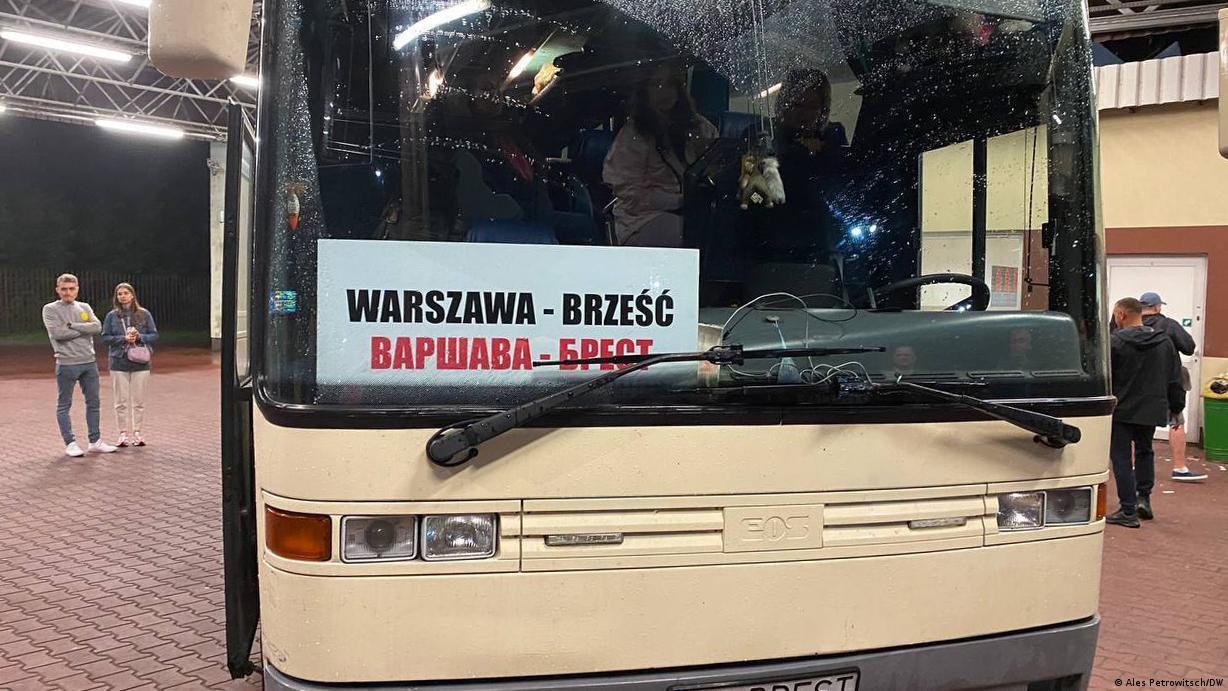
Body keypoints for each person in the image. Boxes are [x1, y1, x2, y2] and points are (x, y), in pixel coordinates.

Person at [603, 63, 718, 247]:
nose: (664, 91)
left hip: (693, 212)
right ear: (644, 91)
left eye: (670, 84)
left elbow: (717, 162)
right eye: (656, 84)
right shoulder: (633, 135)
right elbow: (631, 194)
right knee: (694, 234)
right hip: (643, 219)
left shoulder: (699, 127)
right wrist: (680, 201)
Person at [1106, 297, 1185, 528]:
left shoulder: (1114, 342)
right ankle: (1144, 499)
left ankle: (1128, 510)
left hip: (1121, 408)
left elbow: (1106, 377)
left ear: (1121, 315)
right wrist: (1176, 407)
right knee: (1145, 451)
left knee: (1121, 458)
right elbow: (1175, 378)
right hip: (1151, 407)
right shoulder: (1164, 342)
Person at [41, 273, 118, 458]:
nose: (68, 292)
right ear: (57, 290)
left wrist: (72, 325)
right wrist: (84, 328)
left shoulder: (84, 307)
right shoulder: (50, 309)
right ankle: (70, 443)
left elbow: (97, 327)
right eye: (64, 289)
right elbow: (58, 334)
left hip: (89, 362)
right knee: (64, 404)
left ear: (77, 289)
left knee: (93, 402)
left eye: (71, 289)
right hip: (66, 363)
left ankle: (95, 441)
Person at [1139, 291, 1207, 482]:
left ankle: (1133, 465)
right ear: (1157, 307)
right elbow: (1189, 347)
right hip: (1167, 382)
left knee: (1136, 424)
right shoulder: (1169, 325)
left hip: (1138, 384)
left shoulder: (1131, 326)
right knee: (1176, 422)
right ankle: (1179, 467)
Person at [102, 282, 158, 447]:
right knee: (121, 401)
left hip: (140, 362)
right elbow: (105, 337)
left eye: (126, 293)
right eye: (120, 294)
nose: (123, 296)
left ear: (132, 295)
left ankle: (137, 432)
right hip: (119, 362)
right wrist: (123, 339)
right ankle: (123, 434)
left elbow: (154, 335)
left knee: (138, 400)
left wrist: (139, 337)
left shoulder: (143, 314)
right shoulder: (112, 316)